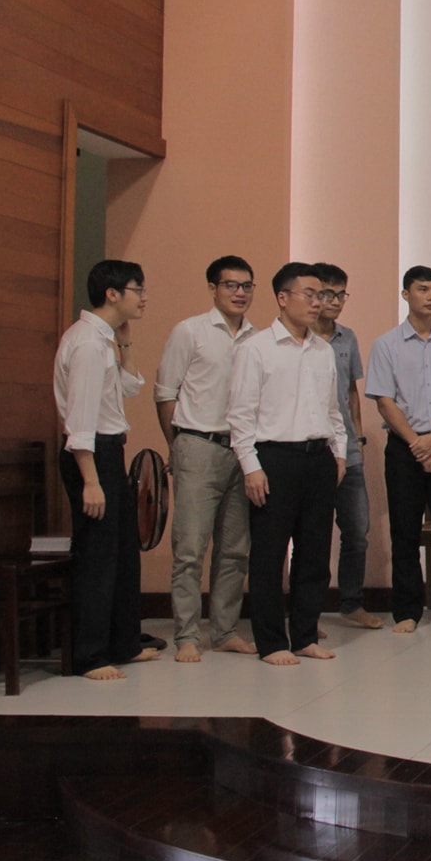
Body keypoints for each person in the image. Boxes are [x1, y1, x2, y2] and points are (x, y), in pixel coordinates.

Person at [229, 262, 345, 664]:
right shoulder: (256, 349)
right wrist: (251, 466)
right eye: (309, 295)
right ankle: (271, 642)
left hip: (319, 459)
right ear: (282, 298)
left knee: (314, 552)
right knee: (269, 553)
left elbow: (333, 410)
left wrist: (339, 453)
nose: (318, 303)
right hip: (274, 458)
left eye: (322, 295)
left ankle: (305, 635)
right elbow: (240, 415)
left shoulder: (323, 350)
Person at [53, 260, 158, 681]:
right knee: (97, 556)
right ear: (112, 294)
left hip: (108, 452)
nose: (144, 297)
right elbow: (79, 419)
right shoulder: (86, 343)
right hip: (90, 455)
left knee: (122, 553)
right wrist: (91, 480)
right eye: (138, 289)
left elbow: (129, 387)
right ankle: (90, 656)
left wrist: (126, 343)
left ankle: (122, 643)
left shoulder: (104, 339)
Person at [153, 255, 259, 661]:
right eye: (231, 285)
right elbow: (165, 393)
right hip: (197, 446)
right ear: (213, 288)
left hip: (243, 449)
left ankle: (225, 630)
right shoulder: (190, 331)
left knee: (234, 549)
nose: (239, 293)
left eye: (246, 286)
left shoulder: (257, 339)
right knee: (190, 547)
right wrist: (177, 445)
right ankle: (186, 635)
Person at [366, 265, 431, 634]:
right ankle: (407, 611)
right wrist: (417, 444)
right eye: (423, 289)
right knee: (405, 532)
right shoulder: (386, 345)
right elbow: (384, 401)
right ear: (406, 294)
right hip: (404, 449)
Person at [314, 263, 379, 629]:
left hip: (348, 449)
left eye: (341, 294)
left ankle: (351, 603)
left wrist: (358, 437)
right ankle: (309, 610)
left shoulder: (347, 338)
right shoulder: (301, 338)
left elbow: (351, 392)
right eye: (328, 293)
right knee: (314, 534)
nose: (336, 301)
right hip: (312, 448)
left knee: (357, 530)